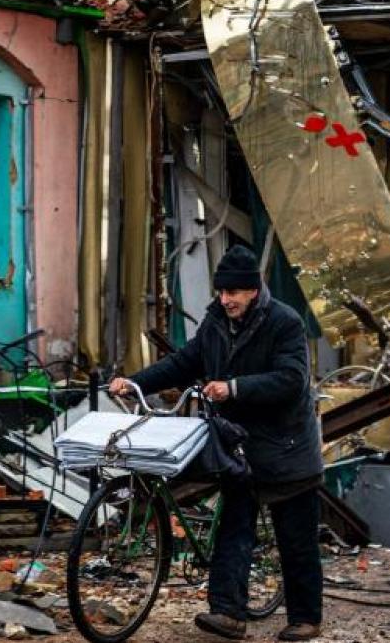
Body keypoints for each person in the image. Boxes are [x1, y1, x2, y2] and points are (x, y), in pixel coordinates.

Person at [109, 244, 324, 641]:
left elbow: (292, 379)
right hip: (238, 446)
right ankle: (228, 613)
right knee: (234, 527)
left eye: (234, 293)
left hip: (285, 446)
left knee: (295, 537)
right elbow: (183, 362)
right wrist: (136, 381)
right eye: (221, 292)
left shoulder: (285, 322)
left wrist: (234, 388)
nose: (226, 300)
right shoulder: (215, 323)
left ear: (253, 291)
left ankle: (305, 617)